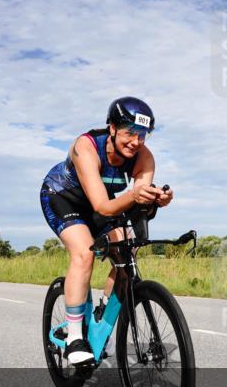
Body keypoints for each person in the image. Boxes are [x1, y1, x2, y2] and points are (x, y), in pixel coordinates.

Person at [40, 97, 172, 365]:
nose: (136, 141)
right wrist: (135, 195)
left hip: (102, 204)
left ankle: (102, 316)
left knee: (126, 255)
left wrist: (155, 199)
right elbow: (102, 205)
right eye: (129, 133)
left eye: (143, 135)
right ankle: (75, 337)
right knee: (84, 253)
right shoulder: (86, 146)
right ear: (112, 128)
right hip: (64, 197)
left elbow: (137, 199)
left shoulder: (144, 157)